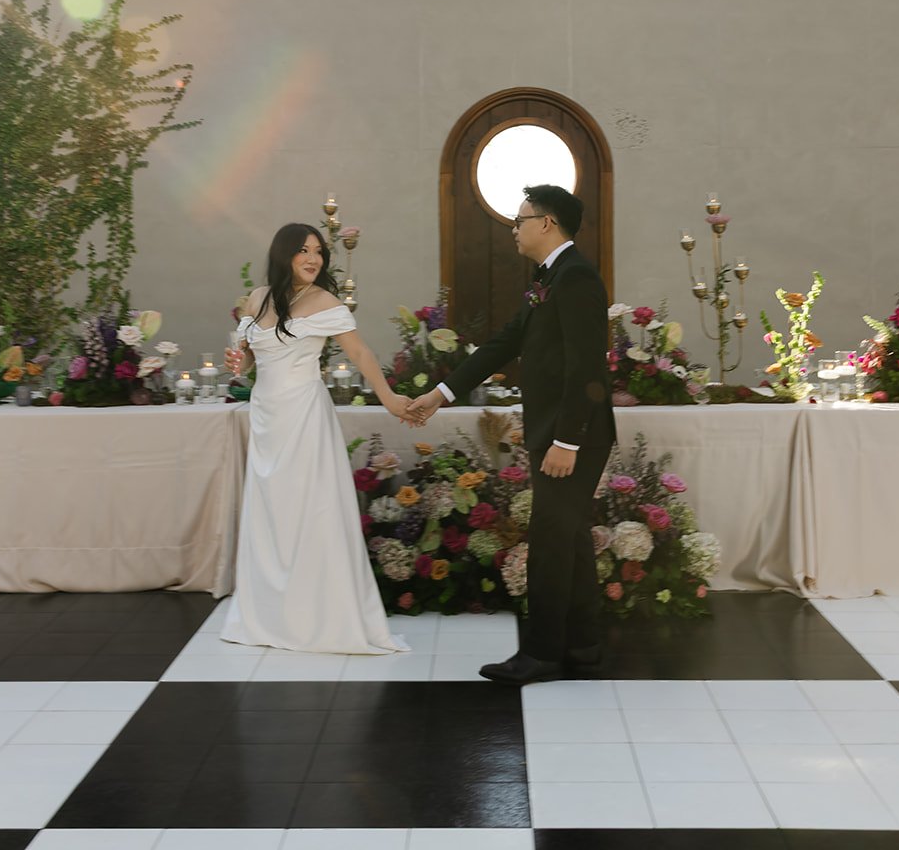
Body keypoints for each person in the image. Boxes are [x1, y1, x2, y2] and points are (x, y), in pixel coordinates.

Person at [409, 184, 616, 685]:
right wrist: (441, 392)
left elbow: (588, 367)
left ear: (546, 223)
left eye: (520, 220)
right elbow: (504, 343)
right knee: (568, 540)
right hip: (559, 432)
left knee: (549, 542)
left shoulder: (576, 278)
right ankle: (584, 645)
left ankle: (542, 653)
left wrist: (567, 441)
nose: (514, 229)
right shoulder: (550, 278)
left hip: (573, 435)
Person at [221, 222, 415, 655]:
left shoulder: (325, 301)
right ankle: (271, 614)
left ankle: (320, 615)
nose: (313, 259)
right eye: (304, 250)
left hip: (304, 416)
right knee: (272, 513)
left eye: (319, 252)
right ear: (284, 253)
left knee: (310, 510)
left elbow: (360, 352)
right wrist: (238, 360)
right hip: (267, 417)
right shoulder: (257, 298)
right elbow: (248, 356)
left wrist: (387, 396)